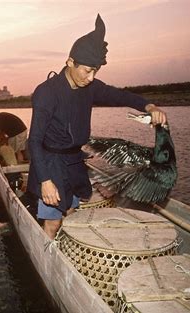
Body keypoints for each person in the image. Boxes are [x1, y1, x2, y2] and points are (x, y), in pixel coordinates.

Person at [27, 14, 168, 239]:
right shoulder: (46, 93)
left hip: (74, 161)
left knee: (72, 211)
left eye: (96, 71)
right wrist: (45, 181)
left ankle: (65, 249)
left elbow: (119, 95)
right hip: (51, 163)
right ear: (70, 62)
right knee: (53, 222)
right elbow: (33, 141)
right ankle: (47, 255)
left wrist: (148, 106)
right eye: (87, 71)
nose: (91, 78)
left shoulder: (89, 87)